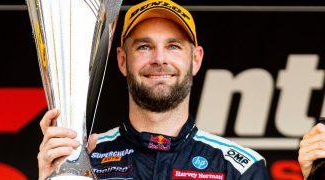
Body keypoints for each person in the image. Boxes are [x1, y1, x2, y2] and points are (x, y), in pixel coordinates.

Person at [37, 0, 269, 179]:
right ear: (122, 60)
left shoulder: (240, 168)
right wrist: (54, 175)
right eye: (144, 47)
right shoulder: (86, 157)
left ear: (196, 59)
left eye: (173, 46)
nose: (159, 58)